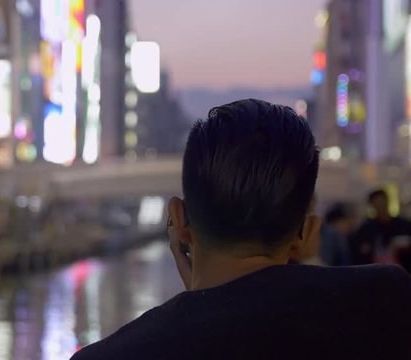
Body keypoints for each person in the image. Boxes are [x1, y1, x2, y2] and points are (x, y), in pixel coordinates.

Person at [71, 99, 411, 360]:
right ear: (307, 234)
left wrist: (203, 302)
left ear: (178, 219)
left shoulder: (109, 356)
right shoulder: (384, 303)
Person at [350, 189, 411, 270]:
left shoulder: (404, 225)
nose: (380, 207)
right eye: (377, 204)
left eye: (382, 203)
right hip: (374, 272)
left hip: (402, 271)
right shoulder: (366, 228)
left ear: (388, 202)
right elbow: (358, 251)